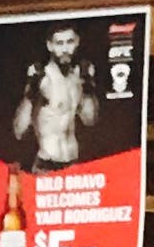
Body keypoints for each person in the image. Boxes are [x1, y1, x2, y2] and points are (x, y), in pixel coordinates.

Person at [8, 22, 98, 169]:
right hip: (47, 165)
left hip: (73, 163)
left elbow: (90, 120)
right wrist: (31, 93)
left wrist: (88, 87)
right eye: (59, 43)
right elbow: (19, 131)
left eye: (69, 42)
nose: (64, 49)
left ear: (77, 42)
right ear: (50, 46)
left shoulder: (77, 77)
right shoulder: (43, 78)